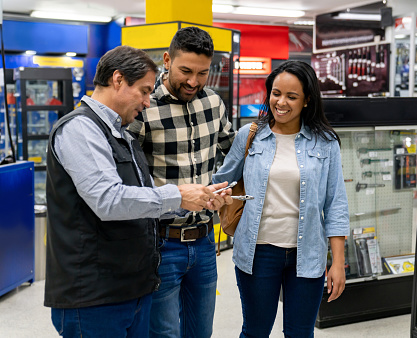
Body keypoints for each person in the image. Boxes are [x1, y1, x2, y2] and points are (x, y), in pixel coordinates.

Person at [44, 45, 231, 338]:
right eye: (144, 91)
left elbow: (137, 200)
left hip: (130, 286)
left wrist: (196, 197)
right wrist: (179, 196)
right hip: (94, 295)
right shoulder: (80, 129)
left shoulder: (119, 132)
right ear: (118, 80)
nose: (147, 101)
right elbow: (108, 199)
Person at [212, 60, 350, 337]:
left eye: (291, 96)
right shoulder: (250, 136)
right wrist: (221, 195)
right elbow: (220, 182)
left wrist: (337, 263)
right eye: (276, 93)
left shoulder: (325, 143)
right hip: (257, 252)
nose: (281, 102)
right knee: (256, 331)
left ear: (307, 100)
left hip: (307, 253)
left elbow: (336, 204)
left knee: (300, 333)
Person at [128, 27, 236, 337]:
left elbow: (233, 155)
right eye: (185, 71)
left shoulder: (214, 103)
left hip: (203, 243)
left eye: (202, 73)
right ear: (167, 60)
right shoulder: (144, 108)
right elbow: (127, 176)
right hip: (160, 243)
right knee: (164, 334)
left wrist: (224, 189)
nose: (193, 81)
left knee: (200, 332)